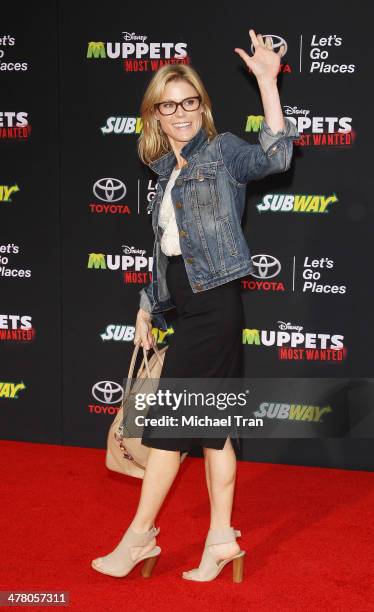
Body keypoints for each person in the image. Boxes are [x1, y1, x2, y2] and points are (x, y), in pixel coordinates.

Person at [91, 29, 299, 583]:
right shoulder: (163, 175)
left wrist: (265, 82)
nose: (180, 113)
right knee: (213, 431)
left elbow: (277, 156)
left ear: (201, 107)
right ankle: (221, 540)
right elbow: (164, 254)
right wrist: (145, 308)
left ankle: (138, 537)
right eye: (169, 105)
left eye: (189, 102)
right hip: (183, 307)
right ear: (155, 114)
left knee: (168, 428)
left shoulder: (223, 152)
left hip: (215, 307)